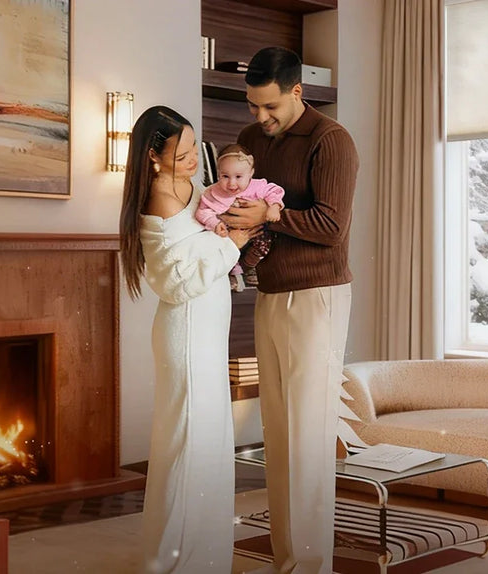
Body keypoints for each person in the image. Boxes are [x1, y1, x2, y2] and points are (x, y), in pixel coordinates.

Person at [219, 46, 359, 574]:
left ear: (298, 91)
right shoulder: (253, 141)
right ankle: (287, 561)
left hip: (318, 296)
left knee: (308, 433)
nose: (259, 118)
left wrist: (271, 214)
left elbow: (331, 227)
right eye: (252, 106)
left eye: (269, 106)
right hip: (270, 293)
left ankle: (311, 565)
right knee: (276, 431)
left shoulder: (331, 140)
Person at [119, 105, 258, 573]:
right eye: (180, 156)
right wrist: (231, 245)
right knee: (188, 445)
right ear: (153, 158)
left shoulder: (192, 188)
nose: (193, 162)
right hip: (187, 329)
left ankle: (205, 557)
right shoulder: (160, 195)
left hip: (207, 326)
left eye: (193, 150)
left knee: (209, 443)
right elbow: (175, 282)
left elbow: (206, 238)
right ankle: (175, 562)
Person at [195, 144, 286, 288]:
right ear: (218, 173)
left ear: (251, 173)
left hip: (256, 231)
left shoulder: (257, 186)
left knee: (266, 241)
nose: (232, 183)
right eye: (225, 176)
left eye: (238, 176)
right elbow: (203, 211)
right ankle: (229, 273)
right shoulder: (213, 192)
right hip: (228, 232)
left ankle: (249, 268)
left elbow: (274, 191)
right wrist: (214, 223)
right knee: (222, 244)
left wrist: (274, 207)